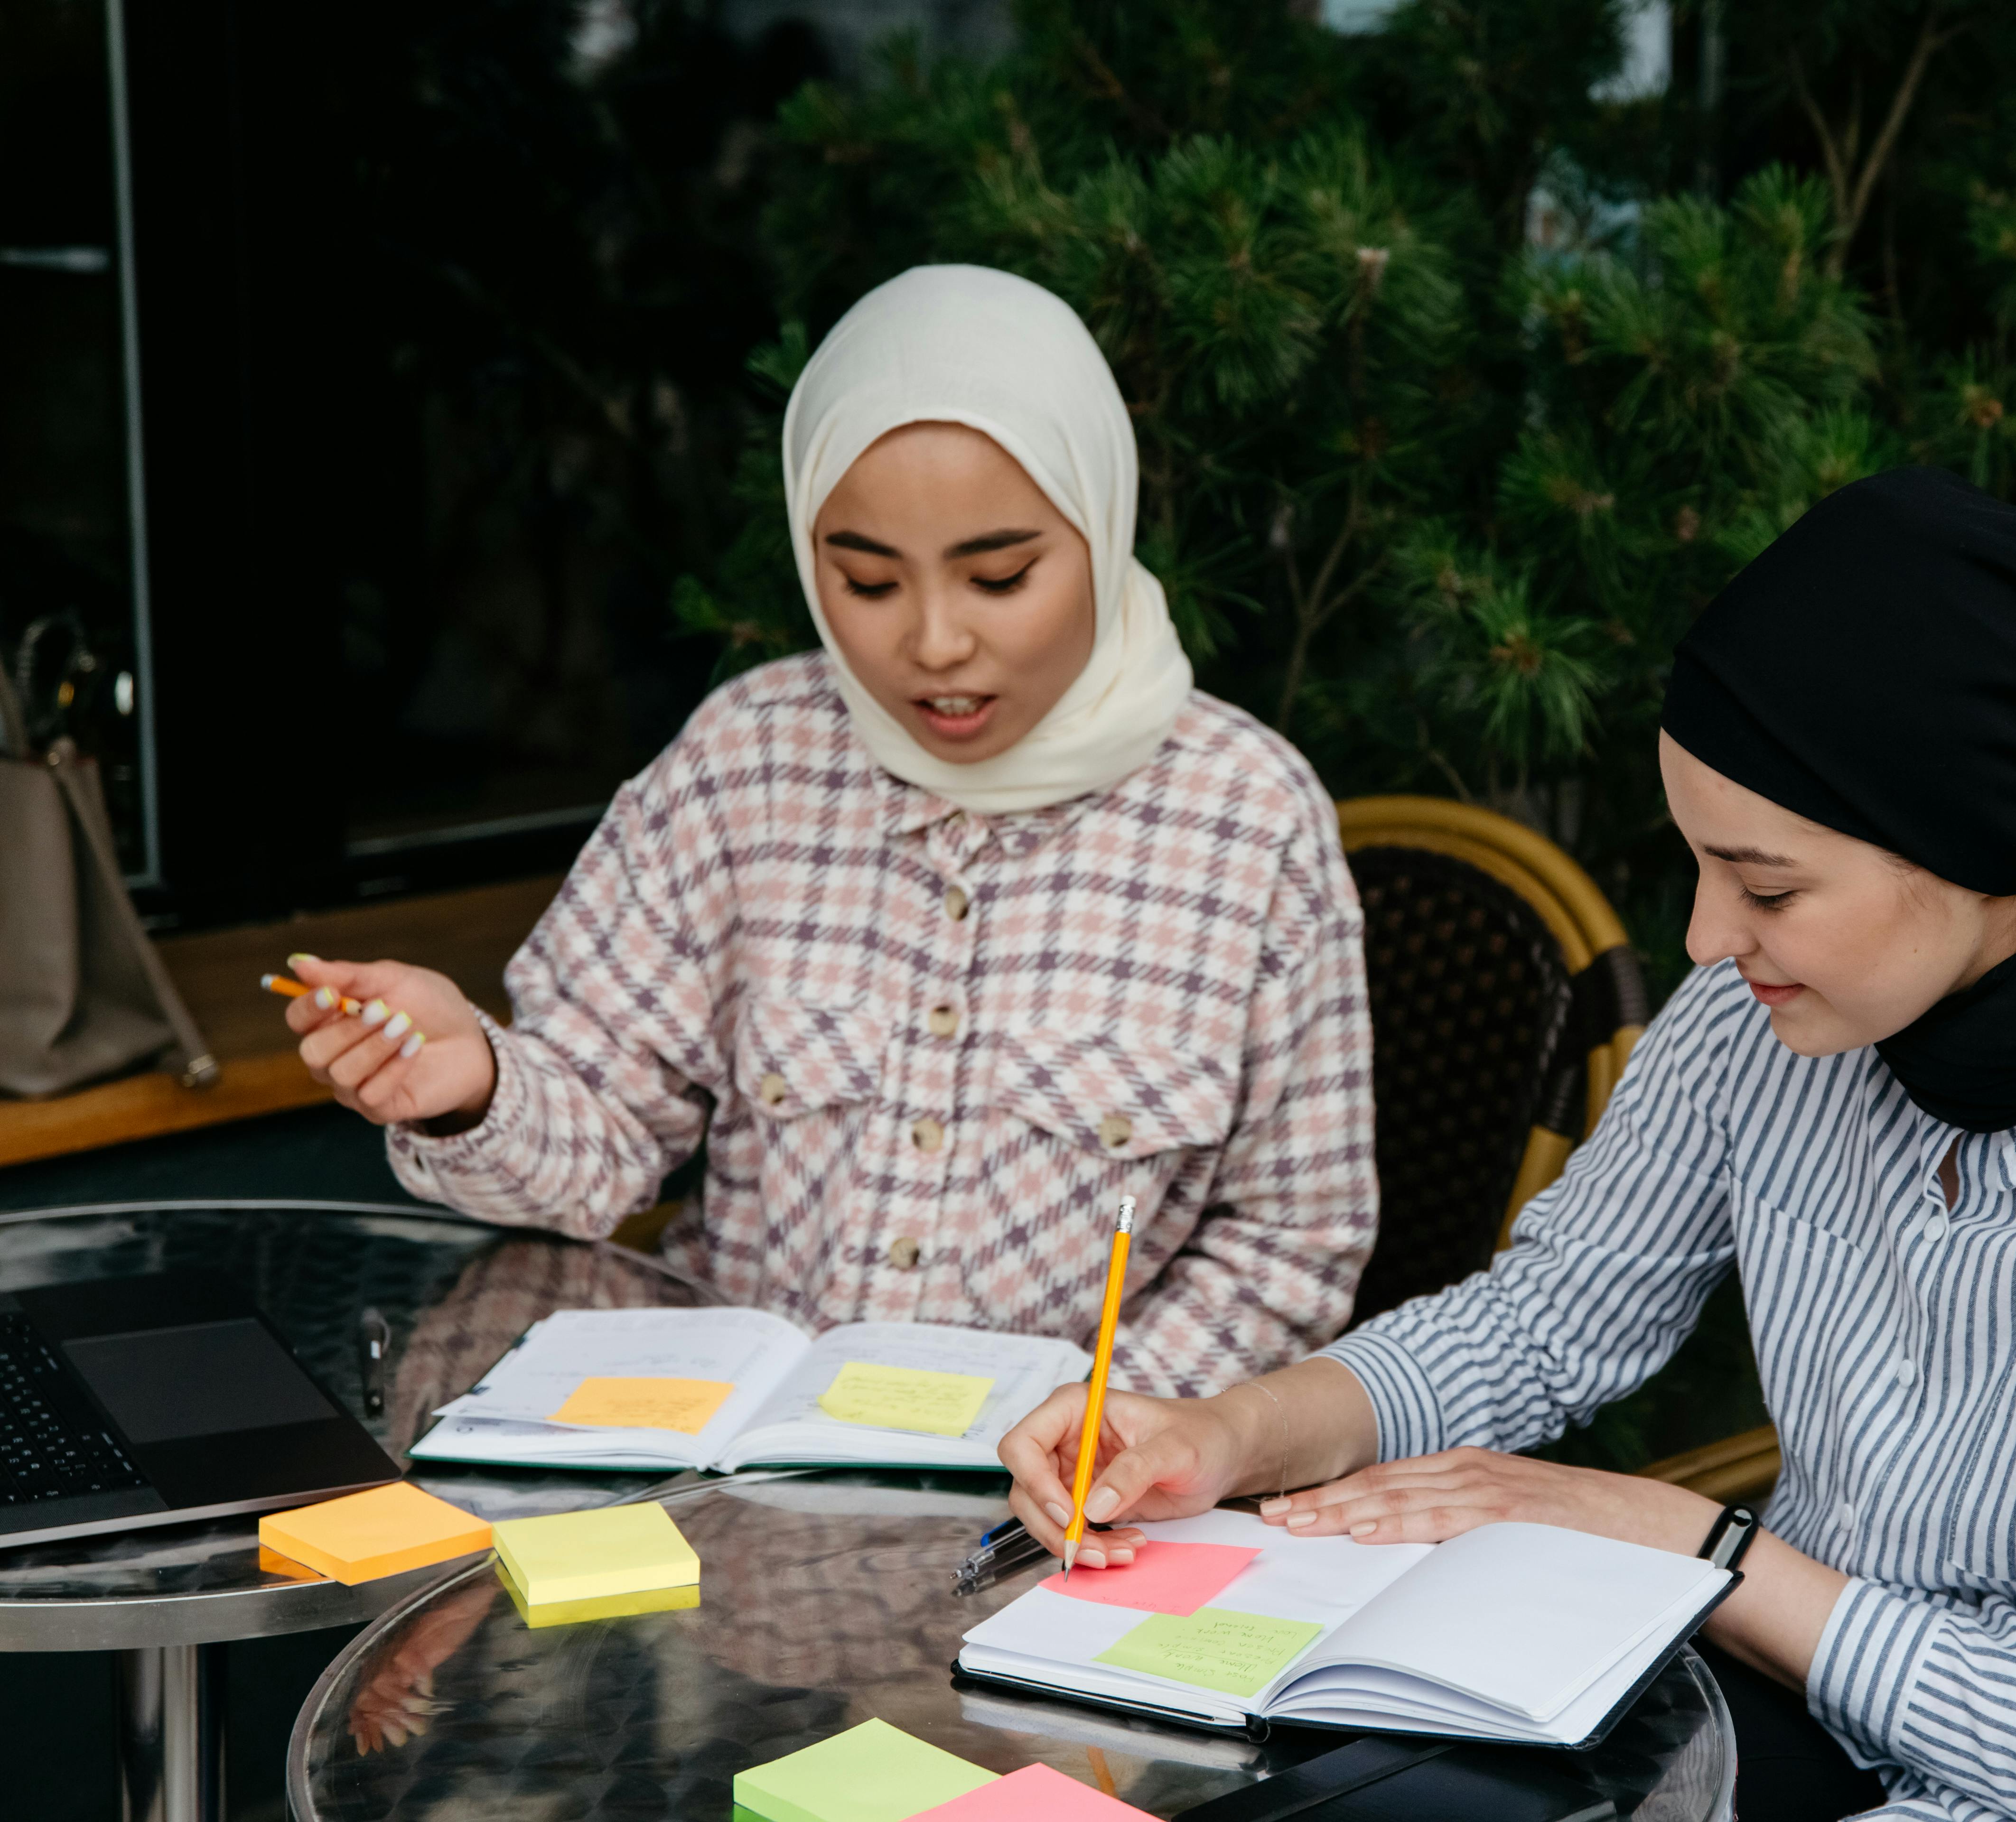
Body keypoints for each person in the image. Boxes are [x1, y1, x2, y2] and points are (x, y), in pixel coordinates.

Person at [998, 468, 2016, 1819]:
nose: (1709, 938)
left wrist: (1705, 1549)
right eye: (1699, 864)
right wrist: (1222, 1434)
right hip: (1846, 1711)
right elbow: (1545, 1323)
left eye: (1768, 887)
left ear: (1990, 845)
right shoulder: (1766, 1029)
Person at [285, 265, 1377, 1395]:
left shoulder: (1249, 822)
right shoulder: (746, 764)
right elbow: (598, 1148)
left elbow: (1291, 1246)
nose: (936, 642)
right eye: (867, 582)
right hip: (731, 1479)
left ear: (1103, 524)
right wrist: (473, 1082)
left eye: (999, 578)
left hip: (1064, 1514)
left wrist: (1089, 1428)